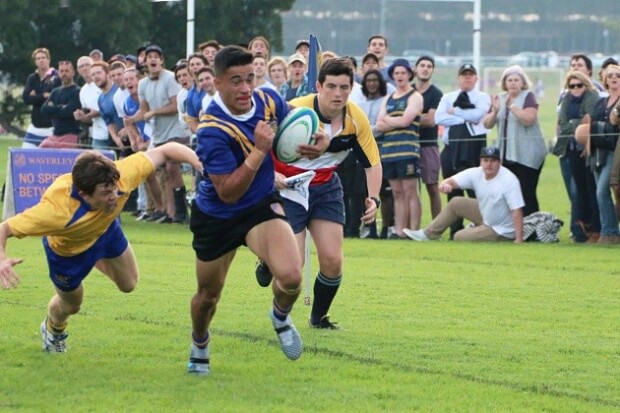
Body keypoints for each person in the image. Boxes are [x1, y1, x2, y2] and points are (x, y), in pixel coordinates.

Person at [0, 142, 202, 353]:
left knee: (129, 284)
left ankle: (97, 257)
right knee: (71, 305)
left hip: (105, 232)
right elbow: (4, 228)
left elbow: (166, 149)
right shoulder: (55, 211)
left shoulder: (121, 175)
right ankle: (53, 329)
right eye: (106, 193)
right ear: (84, 194)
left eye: (114, 188)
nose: (114, 196)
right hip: (67, 253)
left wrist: (203, 166)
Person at [188, 45, 317, 376]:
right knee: (207, 297)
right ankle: (199, 342)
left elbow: (295, 124)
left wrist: (318, 139)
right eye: (235, 81)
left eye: (250, 78)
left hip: (259, 205)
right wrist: (260, 151)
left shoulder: (267, 100)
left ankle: (279, 316)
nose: (245, 88)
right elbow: (228, 192)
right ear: (217, 82)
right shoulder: (211, 130)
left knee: (291, 278)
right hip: (218, 215)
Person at [260, 58, 382, 329]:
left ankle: (318, 318)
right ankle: (278, 303)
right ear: (318, 86)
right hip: (288, 187)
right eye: (331, 87)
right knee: (294, 265)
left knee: (332, 260)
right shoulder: (295, 110)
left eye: (344, 87)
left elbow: (373, 162)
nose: (338, 94)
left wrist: (374, 198)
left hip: (326, 186)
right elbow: (260, 144)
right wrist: (271, 176)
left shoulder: (356, 119)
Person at [403, 147, 524, 243]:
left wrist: (518, 239)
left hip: (501, 229)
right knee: (456, 202)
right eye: (486, 160)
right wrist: (446, 185)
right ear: (481, 161)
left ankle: (482, 232)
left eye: (493, 161)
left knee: (458, 236)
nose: (489, 164)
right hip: (487, 214)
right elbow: (450, 180)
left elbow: (516, 210)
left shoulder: (509, 180)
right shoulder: (477, 173)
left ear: (499, 163)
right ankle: (427, 234)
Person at [126, 44, 190, 224]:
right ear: (144, 62)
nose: (153, 59)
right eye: (149, 57)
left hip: (176, 130)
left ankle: (181, 211)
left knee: (171, 167)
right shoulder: (143, 84)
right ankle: (168, 212)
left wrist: (154, 113)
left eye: (156, 56)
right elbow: (143, 110)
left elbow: (173, 106)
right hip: (159, 134)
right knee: (156, 171)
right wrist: (130, 120)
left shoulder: (170, 78)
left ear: (161, 61)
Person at [435, 64, 490, 239]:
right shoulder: (448, 97)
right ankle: (454, 228)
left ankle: (483, 225)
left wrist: (455, 112)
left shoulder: (482, 97)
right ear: (459, 78)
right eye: (464, 75)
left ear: (476, 78)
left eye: (470, 75)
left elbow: (478, 115)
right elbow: (439, 118)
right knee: (452, 188)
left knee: (476, 188)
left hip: (473, 147)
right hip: (451, 148)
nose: (467, 78)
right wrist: (464, 117)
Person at [483, 65, 546, 217]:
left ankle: (533, 226)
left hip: (528, 154)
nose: (513, 83)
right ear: (504, 83)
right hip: (507, 155)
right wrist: (495, 111)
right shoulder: (500, 98)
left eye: (516, 80)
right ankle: (513, 228)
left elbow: (529, 119)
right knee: (509, 193)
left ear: (523, 82)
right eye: (509, 80)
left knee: (526, 192)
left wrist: (512, 107)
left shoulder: (528, 97)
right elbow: (487, 124)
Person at [376, 59, 424, 238]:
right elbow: (378, 125)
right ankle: (399, 230)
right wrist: (394, 121)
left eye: (403, 73)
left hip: (407, 150)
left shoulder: (415, 96)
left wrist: (389, 120)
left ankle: (413, 230)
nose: (400, 76)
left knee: (410, 190)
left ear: (409, 75)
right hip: (389, 151)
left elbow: (406, 120)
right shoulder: (388, 98)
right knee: (397, 192)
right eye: (396, 73)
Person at [575, 64, 620, 243]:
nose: (614, 78)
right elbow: (591, 123)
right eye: (610, 76)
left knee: (602, 190)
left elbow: (614, 121)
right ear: (605, 80)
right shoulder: (601, 101)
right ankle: (607, 230)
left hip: (614, 151)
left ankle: (610, 232)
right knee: (598, 192)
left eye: (617, 75)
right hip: (597, 151)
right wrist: (587, 148)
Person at [554, 70, 600, 242]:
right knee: (579, 190)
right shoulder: (566, 99)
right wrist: (578, 123)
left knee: (592, 188)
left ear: (585, 84)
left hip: (590, 149)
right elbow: (562, 124)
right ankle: (583, 228)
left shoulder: (592, 96)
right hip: (572, 149)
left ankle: (597, 228)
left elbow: (591, 119)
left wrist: (574, 124)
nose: (575, 89)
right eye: (572, 86)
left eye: (579, 85)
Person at [414, 55, 443, 219]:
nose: (425, 68)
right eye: (422, 65)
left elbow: (430, 120)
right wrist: (420, 116)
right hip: (408, 144)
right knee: (411, 188)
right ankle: (411, 226)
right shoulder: (408, 91)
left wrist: (407, 118)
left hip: (429, 145)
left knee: (432, 186)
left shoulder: (436, 93)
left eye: (429, 66)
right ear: (415, 68)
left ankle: (436, 225)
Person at [22, 47, 61, 148]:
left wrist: (35, 96)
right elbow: (26, 98)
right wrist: (44, 95)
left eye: (43, 57)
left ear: (48, 59)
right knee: (25, 156)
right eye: (38, 58)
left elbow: (55, 98)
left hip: (51, 127)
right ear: (35, 62)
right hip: (35, 125)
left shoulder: (57, 77)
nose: (41, 60)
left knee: (48, 159)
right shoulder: (32, 78)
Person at [40, 60, 82, 149]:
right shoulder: (55, 91)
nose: (64, 74)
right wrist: (61, 107)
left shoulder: (77, 91)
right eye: (61, 71)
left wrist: (53, 108)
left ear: (73, 72)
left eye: (67, 71)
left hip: (71, 135)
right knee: (40, 152)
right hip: (55, 135)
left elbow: (68, 112)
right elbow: (43, 109)